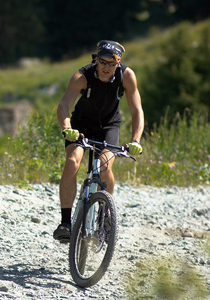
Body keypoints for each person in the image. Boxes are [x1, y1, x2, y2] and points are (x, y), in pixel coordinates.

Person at [53, 40, 144, 242]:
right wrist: (67, 128)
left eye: (112, 64)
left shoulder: (126, 76)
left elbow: (137, 110)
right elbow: (63, 105)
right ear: (97, 59)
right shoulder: (83, 76)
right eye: (103, 62)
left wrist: (135, 140)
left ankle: (105, 215)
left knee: (104, 167)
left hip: (108, 127)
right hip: (80, 127)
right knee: (72, 162)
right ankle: (66, 223)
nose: (106, 68)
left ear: (118, 63)